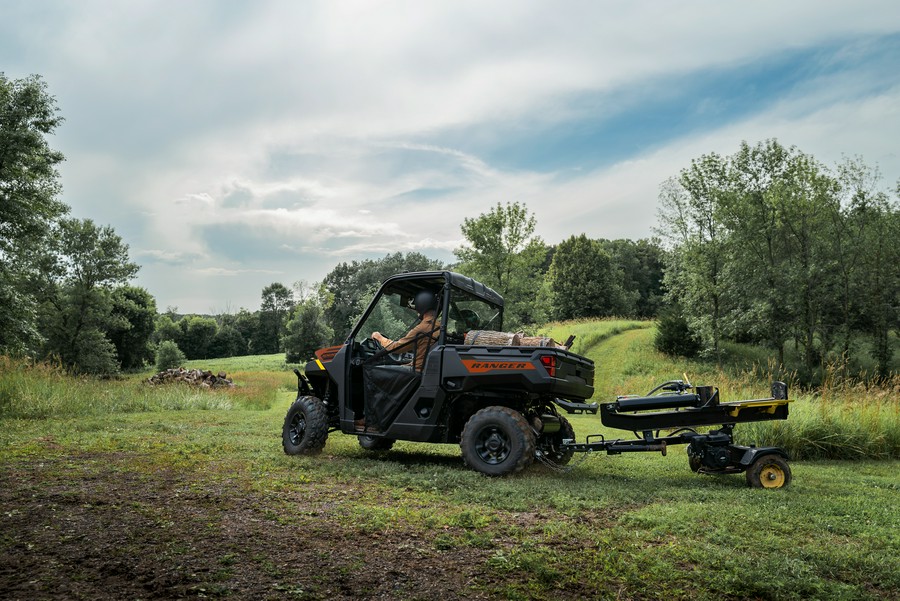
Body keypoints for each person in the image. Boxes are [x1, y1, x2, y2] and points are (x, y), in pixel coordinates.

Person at [371, 290, 441, 372]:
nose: (416, 311)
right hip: (426, 370)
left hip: (417, 372)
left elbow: (397, 348)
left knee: (376, 370)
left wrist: (379, 337)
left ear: (421, 306)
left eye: (416, 308)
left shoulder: (422, 329)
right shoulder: (439, 326)